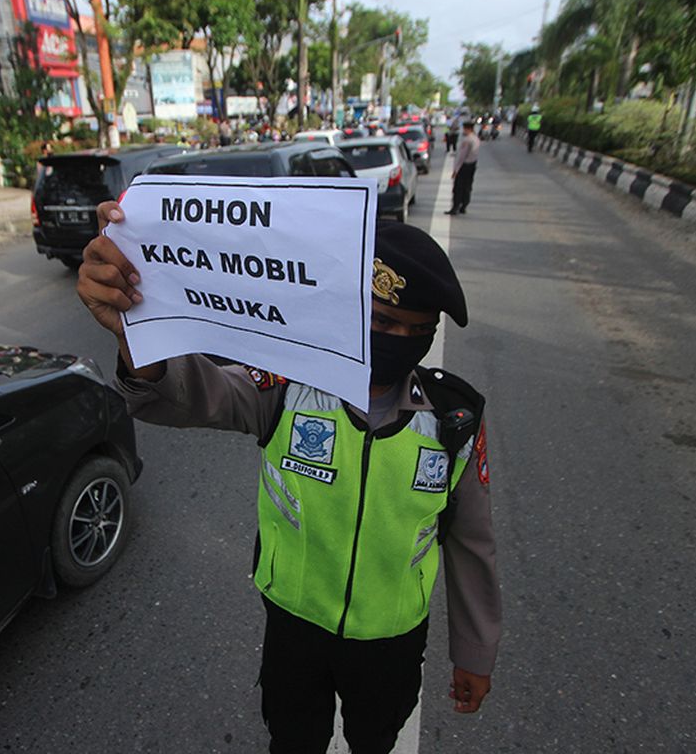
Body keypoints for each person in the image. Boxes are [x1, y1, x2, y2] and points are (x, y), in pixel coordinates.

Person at [77, 212, 501, 753]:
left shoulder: (454, 419)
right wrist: (136, 336)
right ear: (350, 311)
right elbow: (187, 393)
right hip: (294, 627)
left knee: (375, 741)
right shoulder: (289, 383)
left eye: (419, 331)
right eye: (383, 322)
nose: (399, 341)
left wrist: (475, 651)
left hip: (392, 640)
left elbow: (473, 542)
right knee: (293, 741)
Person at [446, 120, 480, 216]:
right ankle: (464, 206)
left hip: (464, 166)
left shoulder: (467, 140)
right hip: (472, 165)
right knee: (468, 186)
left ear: (468, 129)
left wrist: (456, 170)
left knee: (458, 188)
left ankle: (455, 207)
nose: (463, 131)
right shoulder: (476, 139)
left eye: (464, 129)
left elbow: (461, 156)